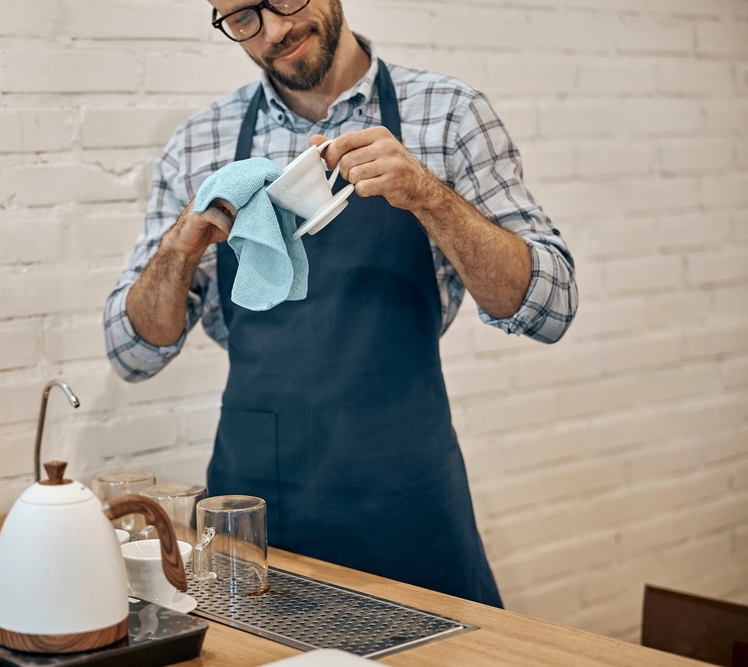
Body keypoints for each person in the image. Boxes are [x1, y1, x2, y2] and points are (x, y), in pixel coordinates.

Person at [104, 0, 577, 607]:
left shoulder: (449, 115)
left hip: (405, 503)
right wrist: (181, 245)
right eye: (242, 18)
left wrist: (431, 198)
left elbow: (552, 305)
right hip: (253, 521)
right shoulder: (201, 144)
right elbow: (131, 352)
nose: (274, 30)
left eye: (282, 0)